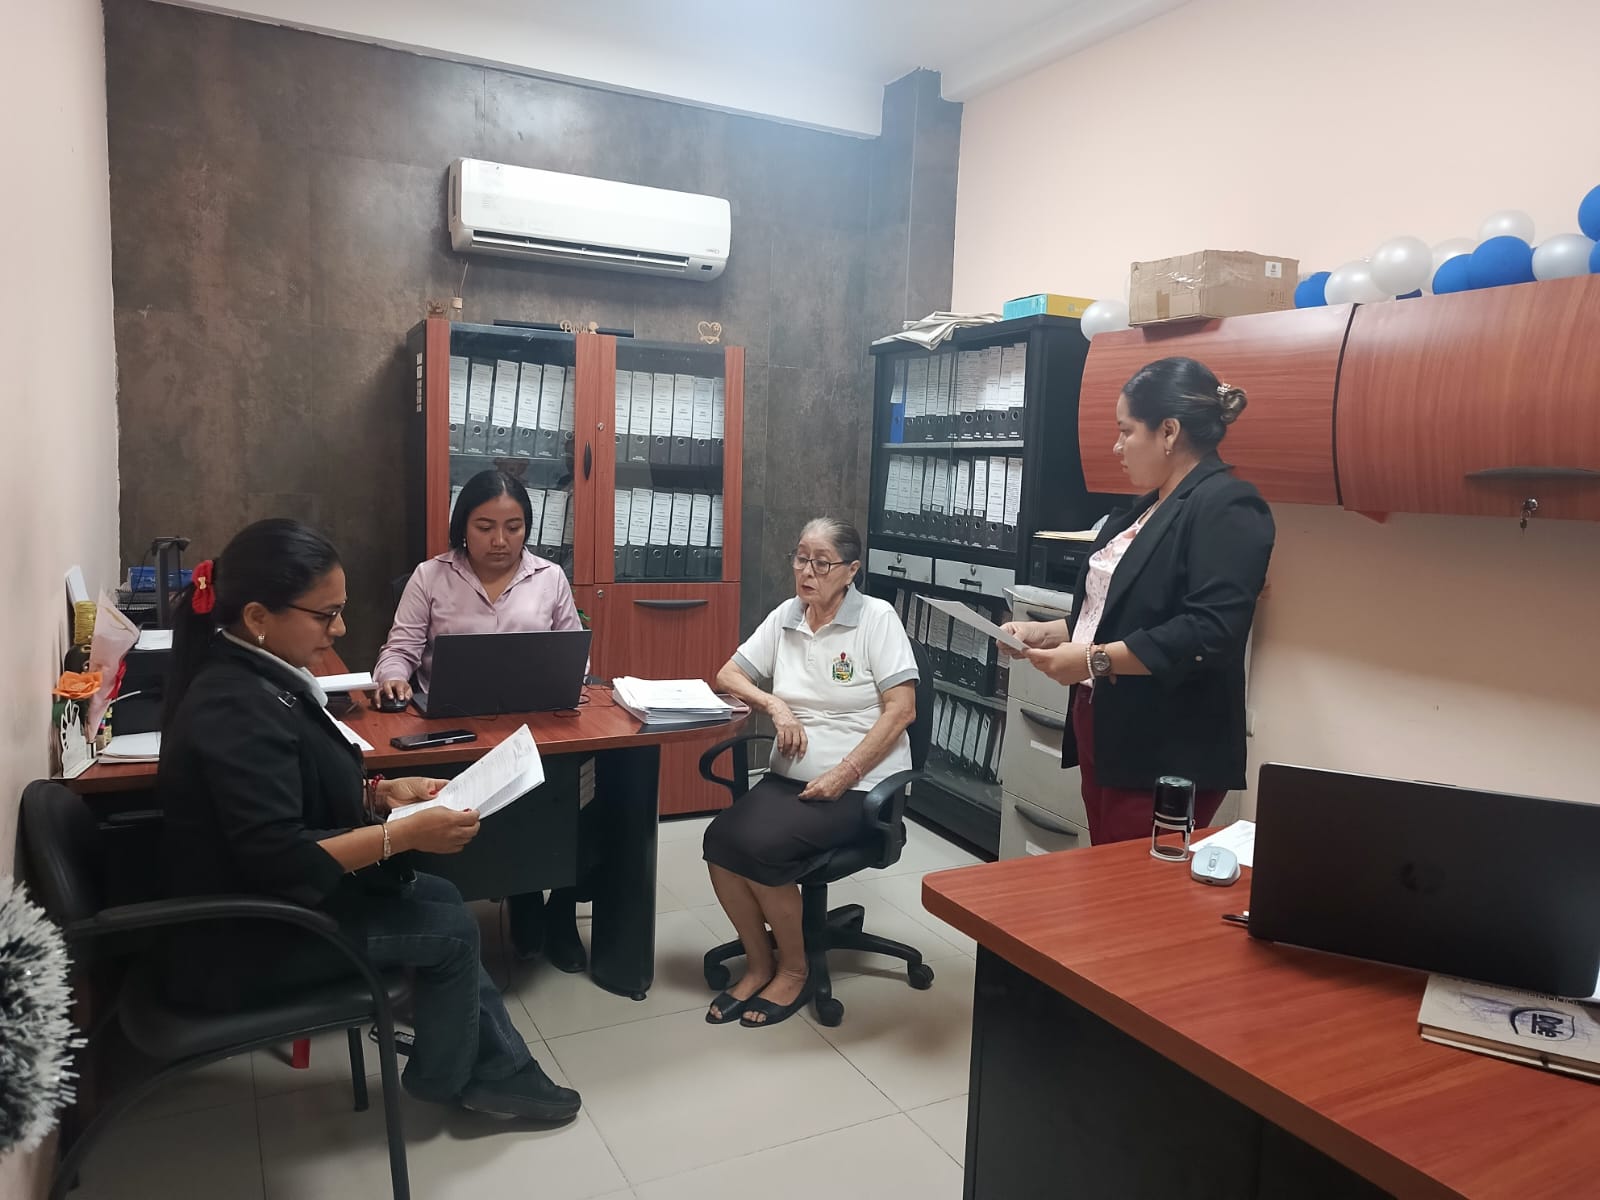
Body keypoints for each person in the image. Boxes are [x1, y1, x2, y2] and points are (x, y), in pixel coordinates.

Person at [158, 518, 580, 1122]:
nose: (340, 630)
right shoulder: (235, 706)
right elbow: (279, 856)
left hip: (274, 902)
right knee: (450, 930)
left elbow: (292, 793)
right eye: (325, 615)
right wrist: (400, 834)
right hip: (249, 935)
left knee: (440, 896)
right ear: (257, 617)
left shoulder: (261, 680)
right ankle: (460, 1077)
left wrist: (381, 794)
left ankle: (488, 1070)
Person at [1001, 356, 1274, 845]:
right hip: (1107, 727)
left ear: (1168, 432)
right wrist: (1047, 632)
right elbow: (1121, 609)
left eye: (1126, 431)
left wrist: (1093, 660)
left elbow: (1209, 632)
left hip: (1166, 745)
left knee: (1133, 879)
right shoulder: (1147, 507)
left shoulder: (1228, 504)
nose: (1117, 446)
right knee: (1106, 864)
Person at [702, 518, 918, 1028]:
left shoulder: (877, 619)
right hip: (789, 777)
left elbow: (902, 710)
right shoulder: (787, 617)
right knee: (720, 841)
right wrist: (775, 707)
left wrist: (846, 772)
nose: (807, 572)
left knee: (762, 848)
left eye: (822, 564)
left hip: (860, 786)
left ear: (851, 571)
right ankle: (760, 964)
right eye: (801, 559)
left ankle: (795, 970)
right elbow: (728, 675)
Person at [373, 469, 589, 970]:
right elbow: (399, 649)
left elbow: (574, 656)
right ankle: (520, 893)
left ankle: (556, 907)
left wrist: (569, 677)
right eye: (485, 526)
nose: (500, 540)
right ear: (463, 527)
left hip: (536, 725)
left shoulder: (549, 577)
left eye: (513, 527)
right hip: (451, 731)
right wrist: (393, 678)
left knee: (576, 795)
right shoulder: (430, 576)